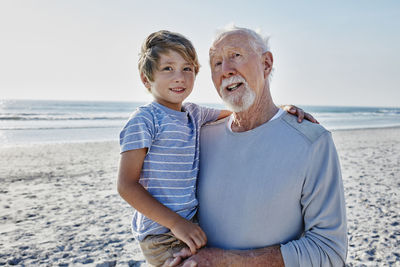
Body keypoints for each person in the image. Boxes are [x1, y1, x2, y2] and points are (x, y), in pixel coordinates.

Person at [117, 30, 315, 267]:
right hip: (162, 234)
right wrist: (175, 223)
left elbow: (241, 109)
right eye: (168, 68)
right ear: (146, 78)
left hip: (191, 224)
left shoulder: (193, 113)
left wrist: (281, 109)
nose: (179, 77)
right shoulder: (144, 120)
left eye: (187, 69)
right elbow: (126, 185)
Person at [169, 26, 348, 266]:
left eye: (236, 55)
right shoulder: (198, 138)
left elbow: (329, 252)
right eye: (216, 63)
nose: (226, 70)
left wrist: (224, 261)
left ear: (266, 64)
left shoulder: (311, 142)